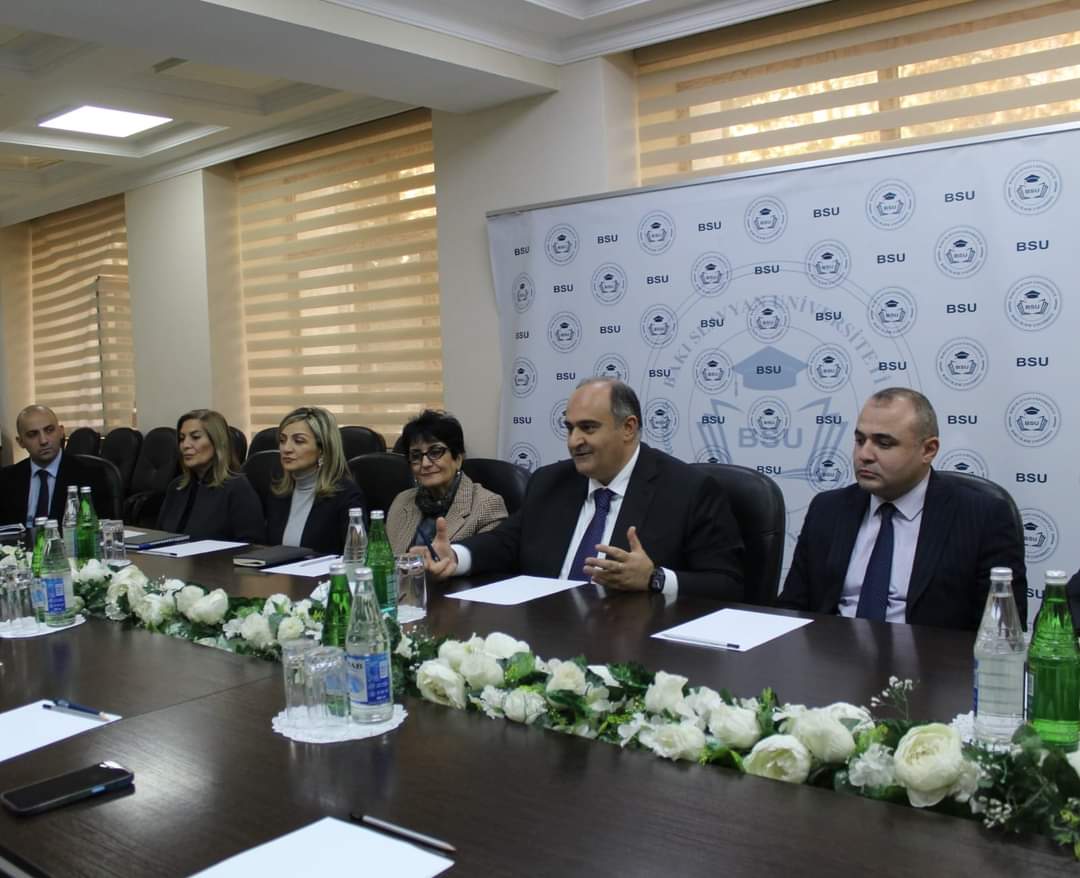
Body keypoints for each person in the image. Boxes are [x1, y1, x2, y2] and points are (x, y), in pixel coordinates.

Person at [418, 378, 744, 599]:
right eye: (570, 428)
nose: (574, 441)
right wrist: (455, 556)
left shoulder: (689, 490)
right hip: (548, 633)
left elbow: (728, 584)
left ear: (628, 428)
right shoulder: (550, 481)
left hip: (632, 646)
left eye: (588, 428)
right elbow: (507, 542)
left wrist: (654, 578)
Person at [777, 387, 1027, 630]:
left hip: (930, 657)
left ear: (928, 450)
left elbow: (1002, 631)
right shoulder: (828, 509)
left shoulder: (983, 517)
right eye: (860, 440)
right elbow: (792, 610)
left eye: (884, 443)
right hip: (831, 653)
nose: (864, 455)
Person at [387, 410, 507, 555]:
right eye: (416, 456)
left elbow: (489, 562)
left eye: (435, 452)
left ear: (458, 459)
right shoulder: (402, 501)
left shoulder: (486, 506)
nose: (425, 463)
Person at [265, 406, 365, 555]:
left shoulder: (346, 495)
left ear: (322, 449)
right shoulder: (279, 492)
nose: (286, 449)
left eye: (299, 441)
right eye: (282, 440)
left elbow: (357, 556)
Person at [157, 409, 265, 544]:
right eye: (182, 438)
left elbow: (252, 544)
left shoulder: (237, 488)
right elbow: (159, 535)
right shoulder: (176, 487)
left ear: (217, 442)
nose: (185, 445)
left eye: (195, 437)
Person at [0, 404, 112, 527]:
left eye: (49, 430)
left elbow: (102, 528)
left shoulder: (90, 475)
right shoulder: (5, 479)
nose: (43, 441)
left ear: (61, 432)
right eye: (33, 434)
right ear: (21, 442)